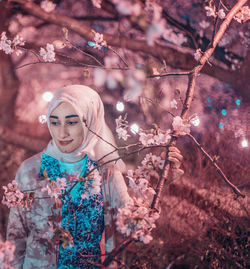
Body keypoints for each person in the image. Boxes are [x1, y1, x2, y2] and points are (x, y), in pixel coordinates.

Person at [6, 85, 183, 269]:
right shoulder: (31, 171)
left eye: (72, 122)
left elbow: (136, 229)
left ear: (90, 121)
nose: (62, 132)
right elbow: (15, 241)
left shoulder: (106, 172)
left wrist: (161, 182)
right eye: (55, 122)